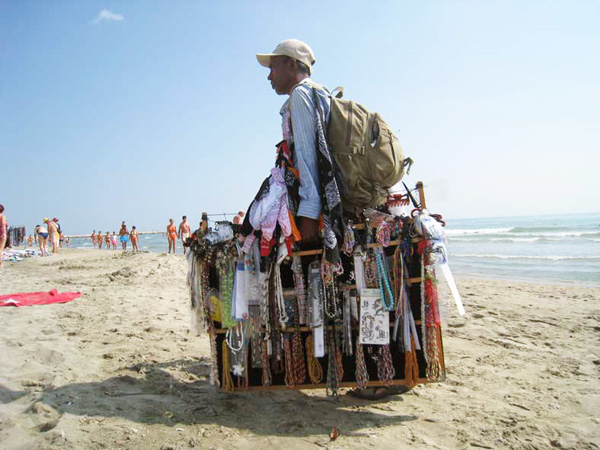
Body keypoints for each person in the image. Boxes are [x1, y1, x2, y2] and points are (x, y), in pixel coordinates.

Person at [256, 39, 331, 245]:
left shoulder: (300, 95)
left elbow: (308, 156)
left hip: (315, 214)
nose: (269, 76)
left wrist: (308, 213)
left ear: (291, 64)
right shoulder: (320, 93)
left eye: (273, 68)